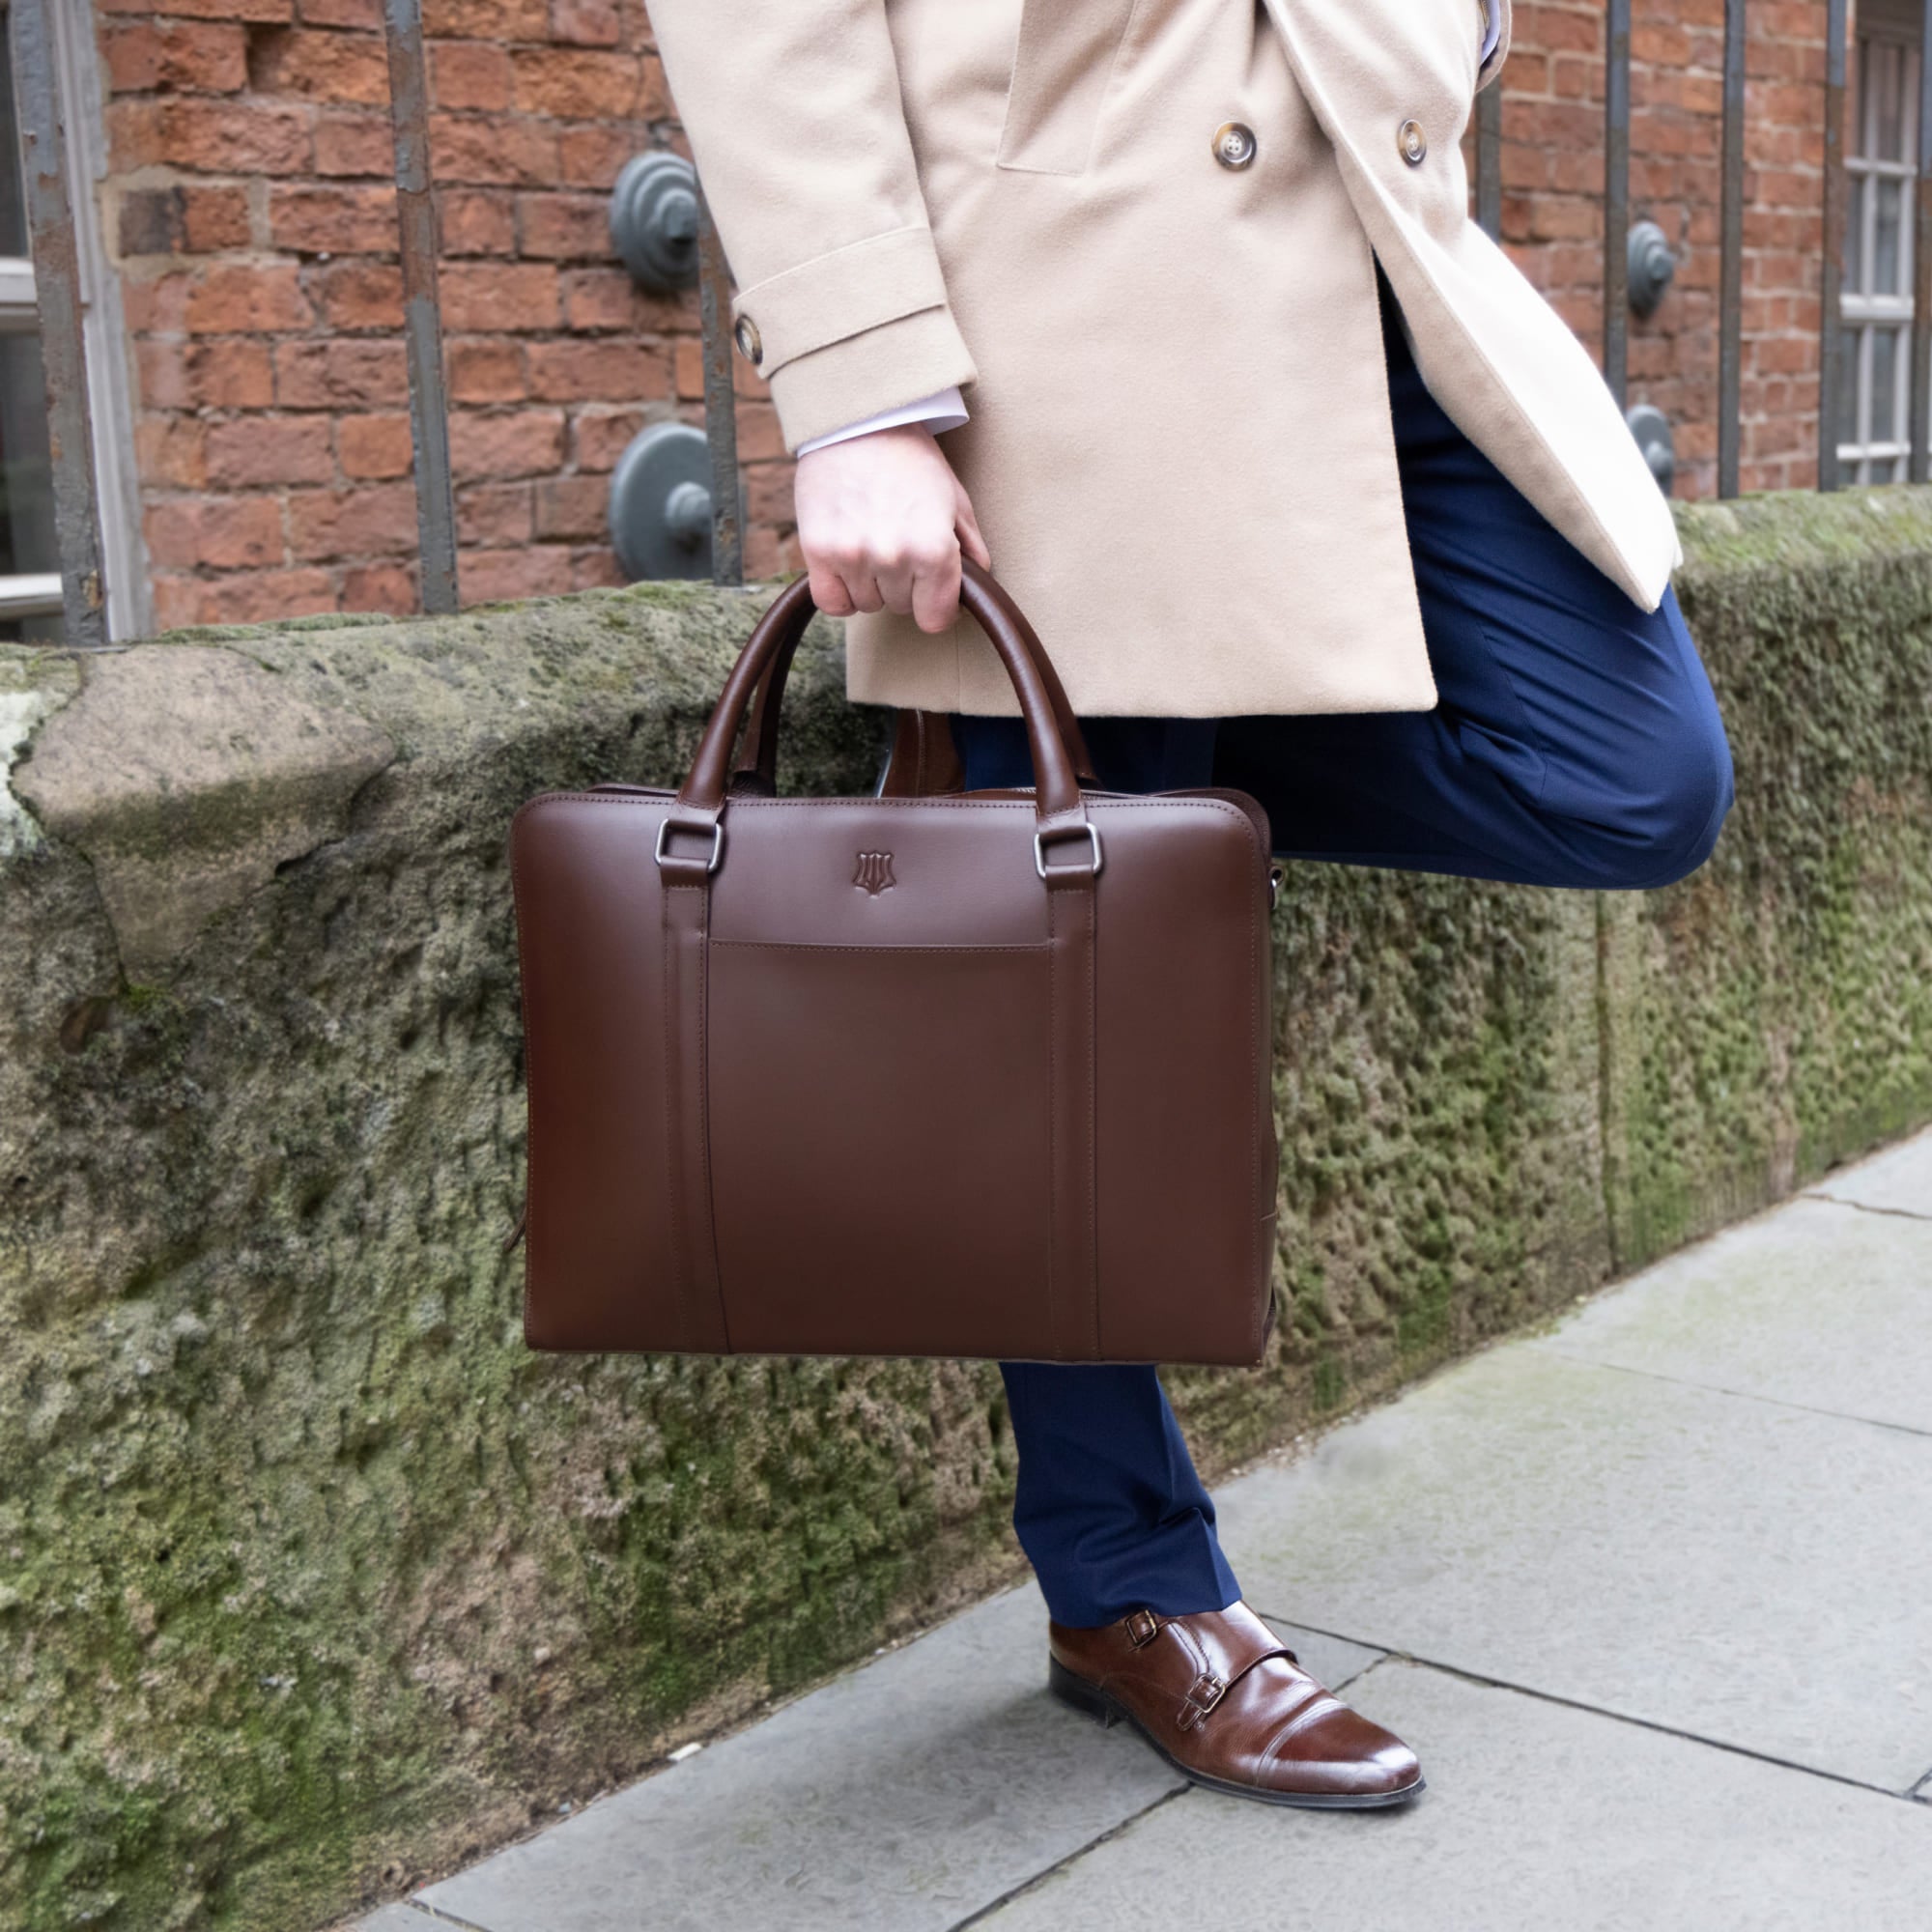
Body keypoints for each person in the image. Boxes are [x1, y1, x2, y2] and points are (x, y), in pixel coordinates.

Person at [646, 0, 1732, 1807]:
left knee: (1632, 769)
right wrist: (857, 388)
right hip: (1063, 317)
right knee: (1068, 1037)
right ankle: (1131, 1583)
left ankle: (1091, 847)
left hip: (1364, 270)